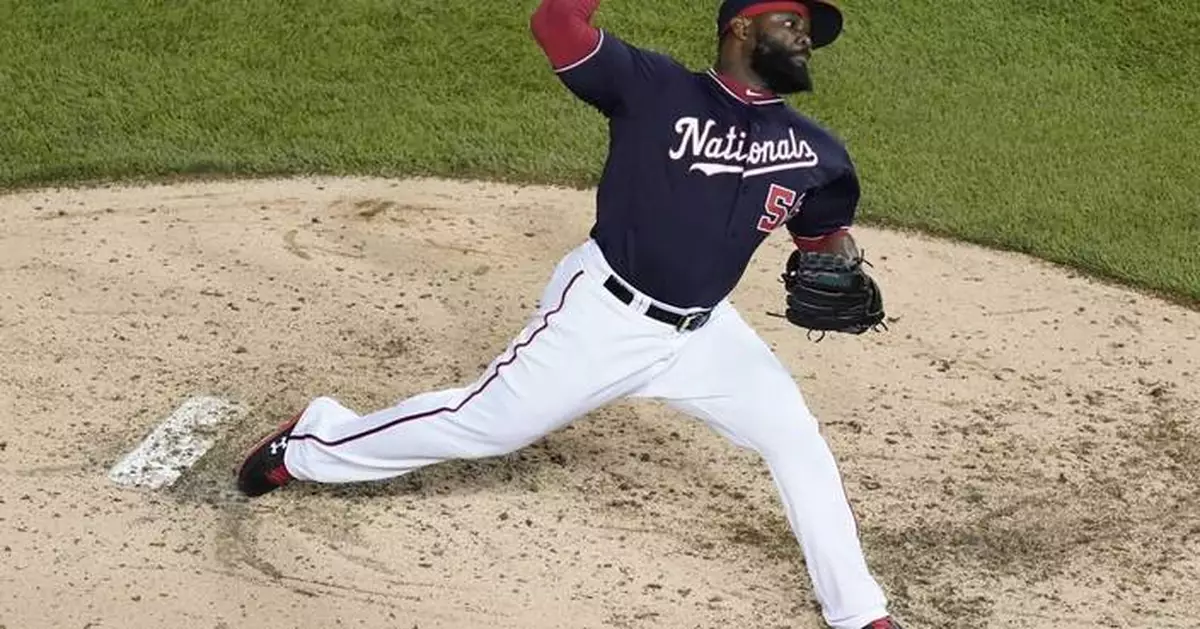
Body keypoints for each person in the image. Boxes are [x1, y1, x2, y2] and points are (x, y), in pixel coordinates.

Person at [235, 1, 903, 627]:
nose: (806, 36)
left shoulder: (816, 149)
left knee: (796, 439)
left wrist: (841, 257)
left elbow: (821, 232)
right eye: (791, 20)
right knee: (483, 424)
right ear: (740, 30)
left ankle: (858, 609)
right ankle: (312, 442)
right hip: (603, 317)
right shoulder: (655, 88)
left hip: (706, 333)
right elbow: (557, 25)